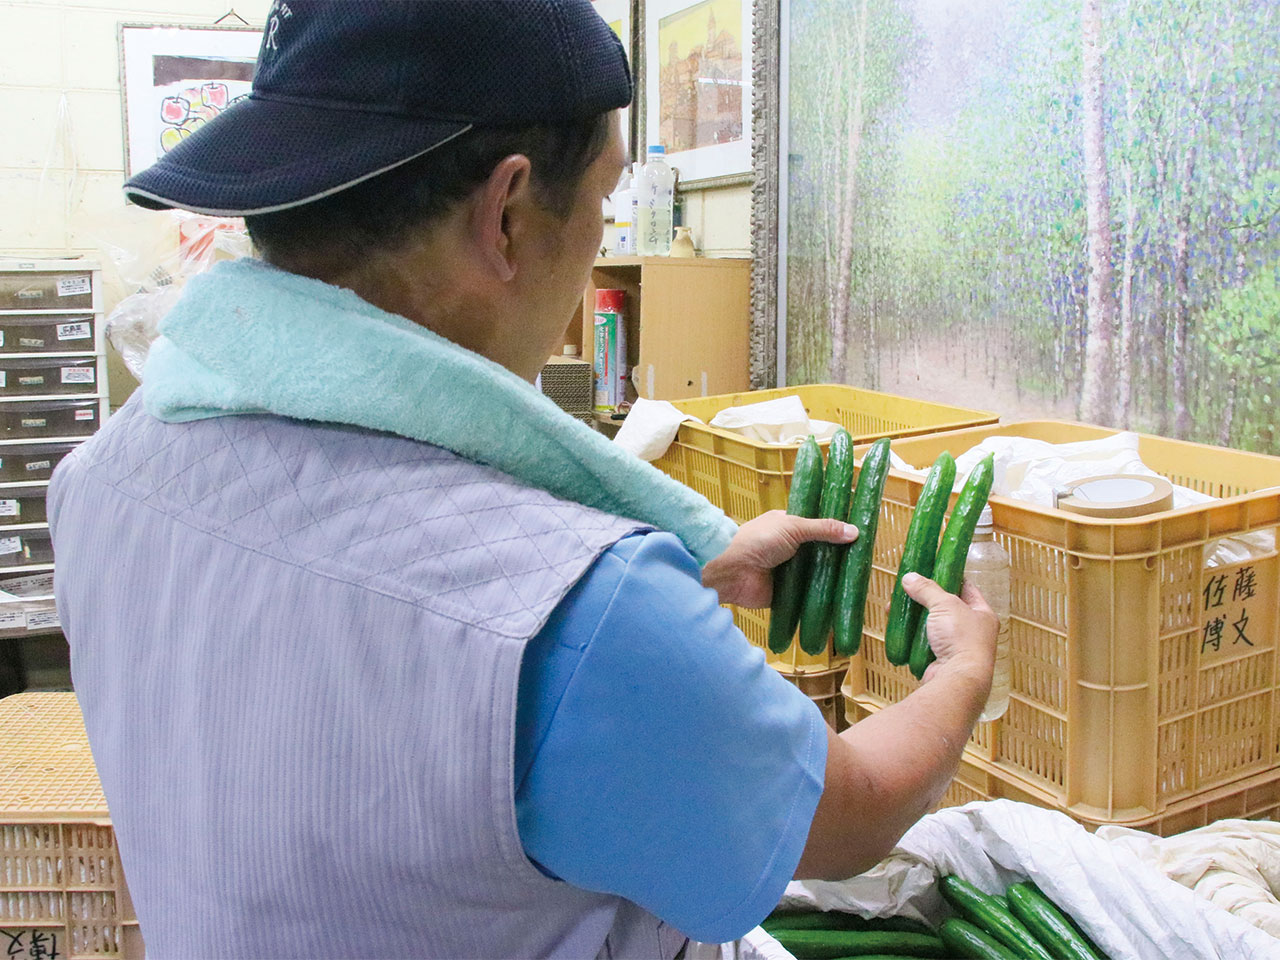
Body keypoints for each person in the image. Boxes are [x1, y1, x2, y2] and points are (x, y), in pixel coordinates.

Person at [49, 3, 996, 958]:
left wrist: (689, 585)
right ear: (506, 213)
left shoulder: (101, 479)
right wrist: (962, 671)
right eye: (606, 199)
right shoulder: (590, 612)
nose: (598, 242)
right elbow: (849, 817)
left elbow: (363, 663)